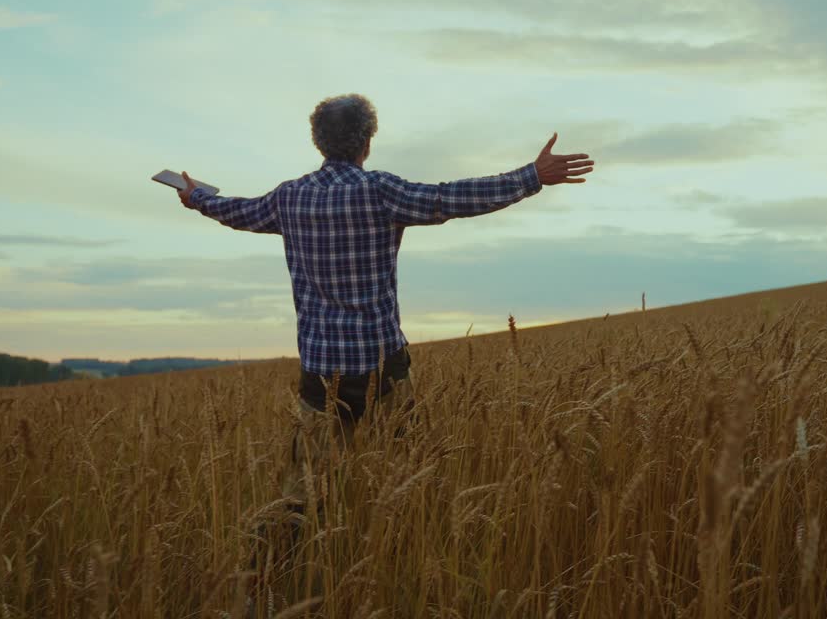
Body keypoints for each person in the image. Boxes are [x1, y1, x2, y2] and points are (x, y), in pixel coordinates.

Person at [174, 93, 593, 534]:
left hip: (320, 370)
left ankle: (279, 576)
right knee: (403, 478)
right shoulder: (381, 191)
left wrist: (196, 196)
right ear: (366, 142)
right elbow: (453, 198)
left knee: (304, 491)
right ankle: (399, 549)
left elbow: (235, 210)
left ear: (319, 142)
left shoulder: (288, 198)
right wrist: (531, 176)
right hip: (383, 365)